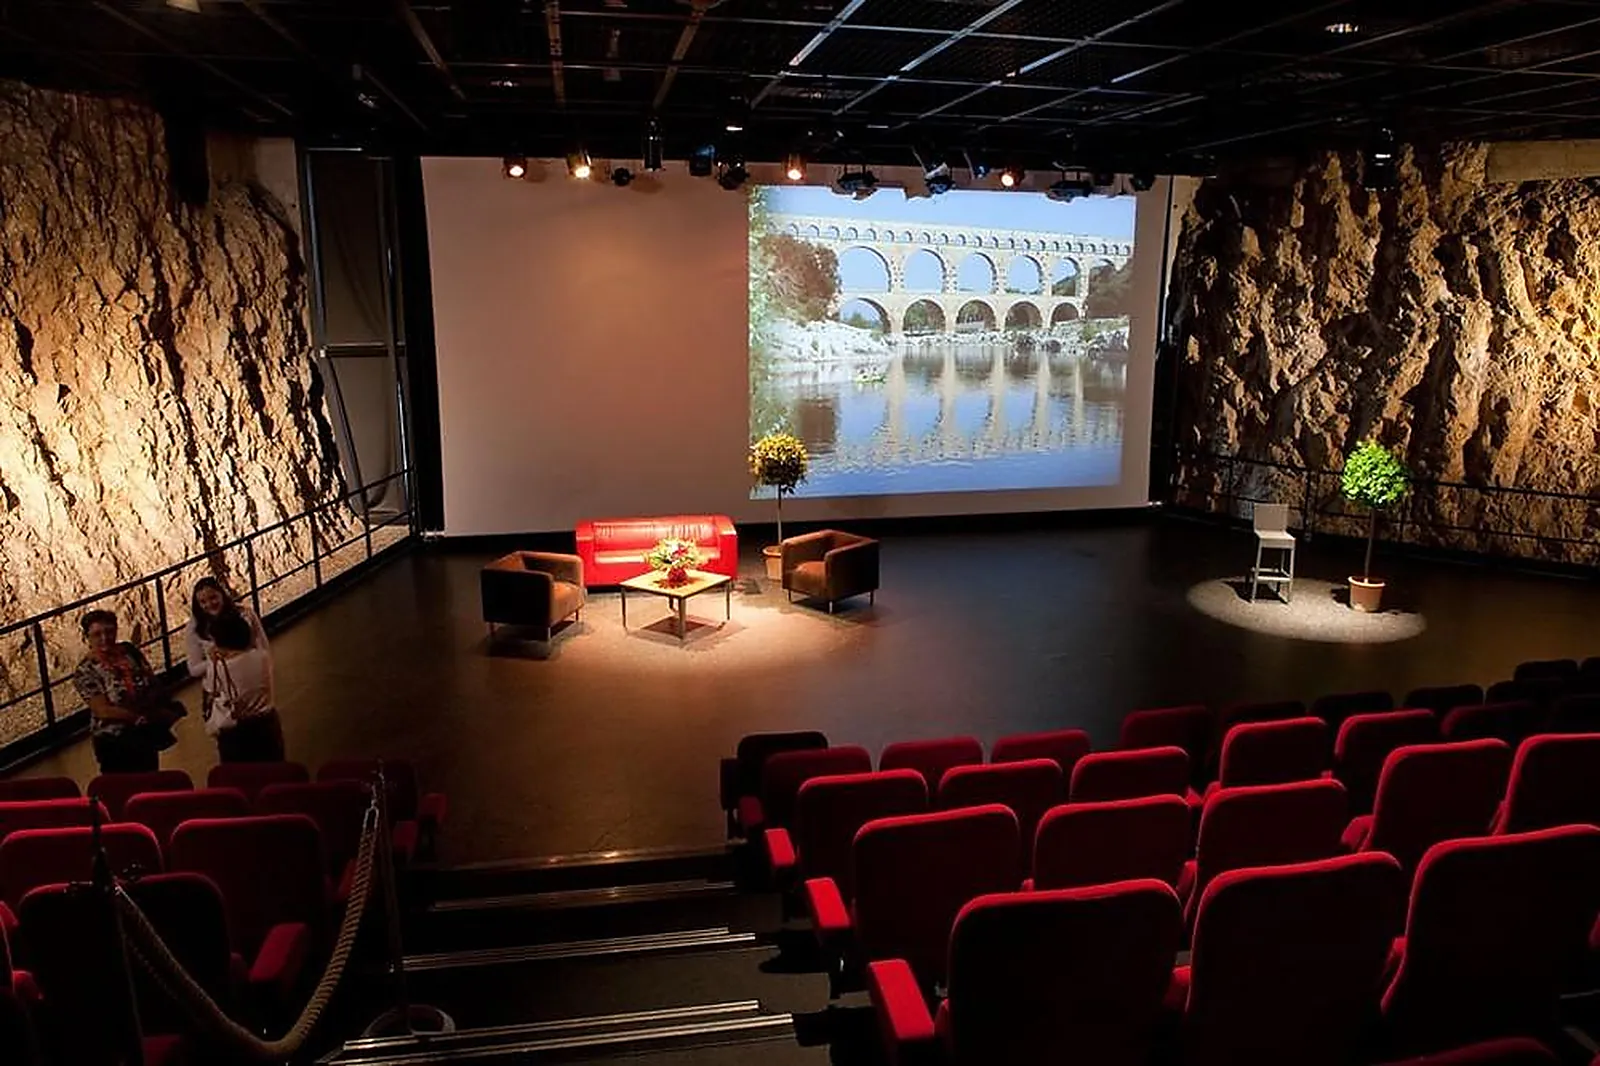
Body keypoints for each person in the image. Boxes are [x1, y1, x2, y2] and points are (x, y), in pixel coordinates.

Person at [72, 610, 183, 773]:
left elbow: (149, 678)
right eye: (97, 634)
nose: (105, 638)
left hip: (144, 732)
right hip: (115, 740)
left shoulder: (129, 652)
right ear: (87, 638)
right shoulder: (85, 671)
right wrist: (135, 717)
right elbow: (102, 710)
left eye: (109, 632)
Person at [203, 610, 284, 763]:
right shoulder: (262, 657)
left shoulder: (218, 668)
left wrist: (211, 660)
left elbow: (211, 690)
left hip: (237, 731)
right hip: (267, 724)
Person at [185, 577, 268, 679]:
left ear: (222, 594)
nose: (209, 604)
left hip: (253, 676)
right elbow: (194, 669)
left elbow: (263, 646)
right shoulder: (194, 627)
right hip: (221, 684)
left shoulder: (245, 613)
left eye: (213, 597)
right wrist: (217, 661)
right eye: (203, 602)